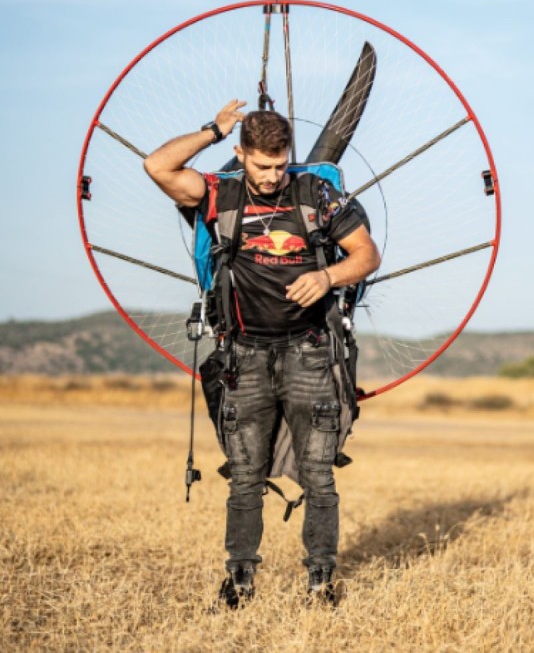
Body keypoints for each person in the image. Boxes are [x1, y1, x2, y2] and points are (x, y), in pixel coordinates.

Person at [143, 100, 381, 608]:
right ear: (242, 154)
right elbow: (156, 166)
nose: (273, 176)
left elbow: (367, 254)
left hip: (311, 355)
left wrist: (326, 277)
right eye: (261, 165)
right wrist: (211, 130)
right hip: (243, 357)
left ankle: (321, 581)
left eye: (280, 164)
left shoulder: (315, 193)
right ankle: (239, 581)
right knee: (244, 476)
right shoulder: (218, 194)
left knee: (319, 475)